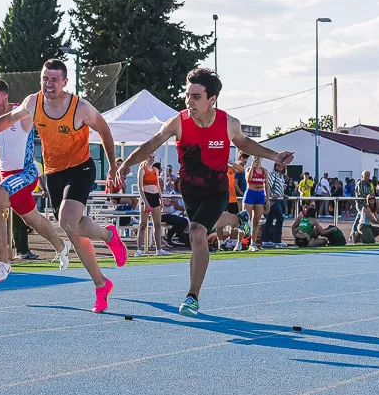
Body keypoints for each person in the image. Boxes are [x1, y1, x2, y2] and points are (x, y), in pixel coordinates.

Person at [114, 67, 294, 316]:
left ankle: (192, 297)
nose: (189, 101)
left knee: (197, 233)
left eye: (196, 97)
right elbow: (151, 143)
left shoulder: (228, 123)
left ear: (212, 99)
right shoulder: (178, 122)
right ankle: (238, 219)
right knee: (206, 226)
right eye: (188, 95)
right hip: (190, 191)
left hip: (217, 188)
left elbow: (243, 143)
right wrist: (125, 164)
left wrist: (275, 155)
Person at [0, 61, 125, 310]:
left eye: (54, 80)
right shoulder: (33, 103)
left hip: (80, 167)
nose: (48, 84)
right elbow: (6, 120)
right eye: (45, 79)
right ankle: (102, 280)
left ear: (65, 82)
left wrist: (113, 165)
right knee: (71, 229)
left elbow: (104, 130)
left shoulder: (80, 107)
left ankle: (107, 237)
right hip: (54, 172)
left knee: (67, 221)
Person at [0, 81, 70, 281]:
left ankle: (4, 262)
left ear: (5, 97)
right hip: (7, 177)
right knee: (33, 219)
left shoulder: (23, 112)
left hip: (26, 173)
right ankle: (62, 246)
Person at [134, 155, 169, 257]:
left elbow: (157, 186)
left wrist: (161, 200)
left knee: (157, 225)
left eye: (153, 157)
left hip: (155, 197)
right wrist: (145, 202)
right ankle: (139, 249)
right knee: (143, 224)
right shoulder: (142, 170)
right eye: (149, 157)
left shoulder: (155, 170)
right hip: (146, 196)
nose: (152, 159)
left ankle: (159, 249)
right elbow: (140, 187)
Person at [243, 155, 268, 251]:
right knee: (245, 220)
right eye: (255, 158)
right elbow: (248, 179)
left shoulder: (264, 171)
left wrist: (267, 198)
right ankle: (241, 242)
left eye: (259, 158)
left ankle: (252, 243)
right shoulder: (249, 169)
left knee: (256, 221)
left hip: (260, 194)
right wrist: (253, 166)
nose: (257, 160)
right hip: (250, 193)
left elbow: (266, 185)